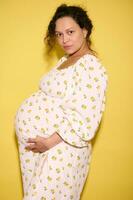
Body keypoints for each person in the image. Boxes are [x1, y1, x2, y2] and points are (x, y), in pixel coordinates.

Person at [14, 4, 108, 200]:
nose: (64, 39)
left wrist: (49, 142)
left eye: (70, 32)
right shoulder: (65, 60)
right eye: (59, 34)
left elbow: (86, 118)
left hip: (61, 148)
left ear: (85, 30)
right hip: (41, 149)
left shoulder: (91, 66)